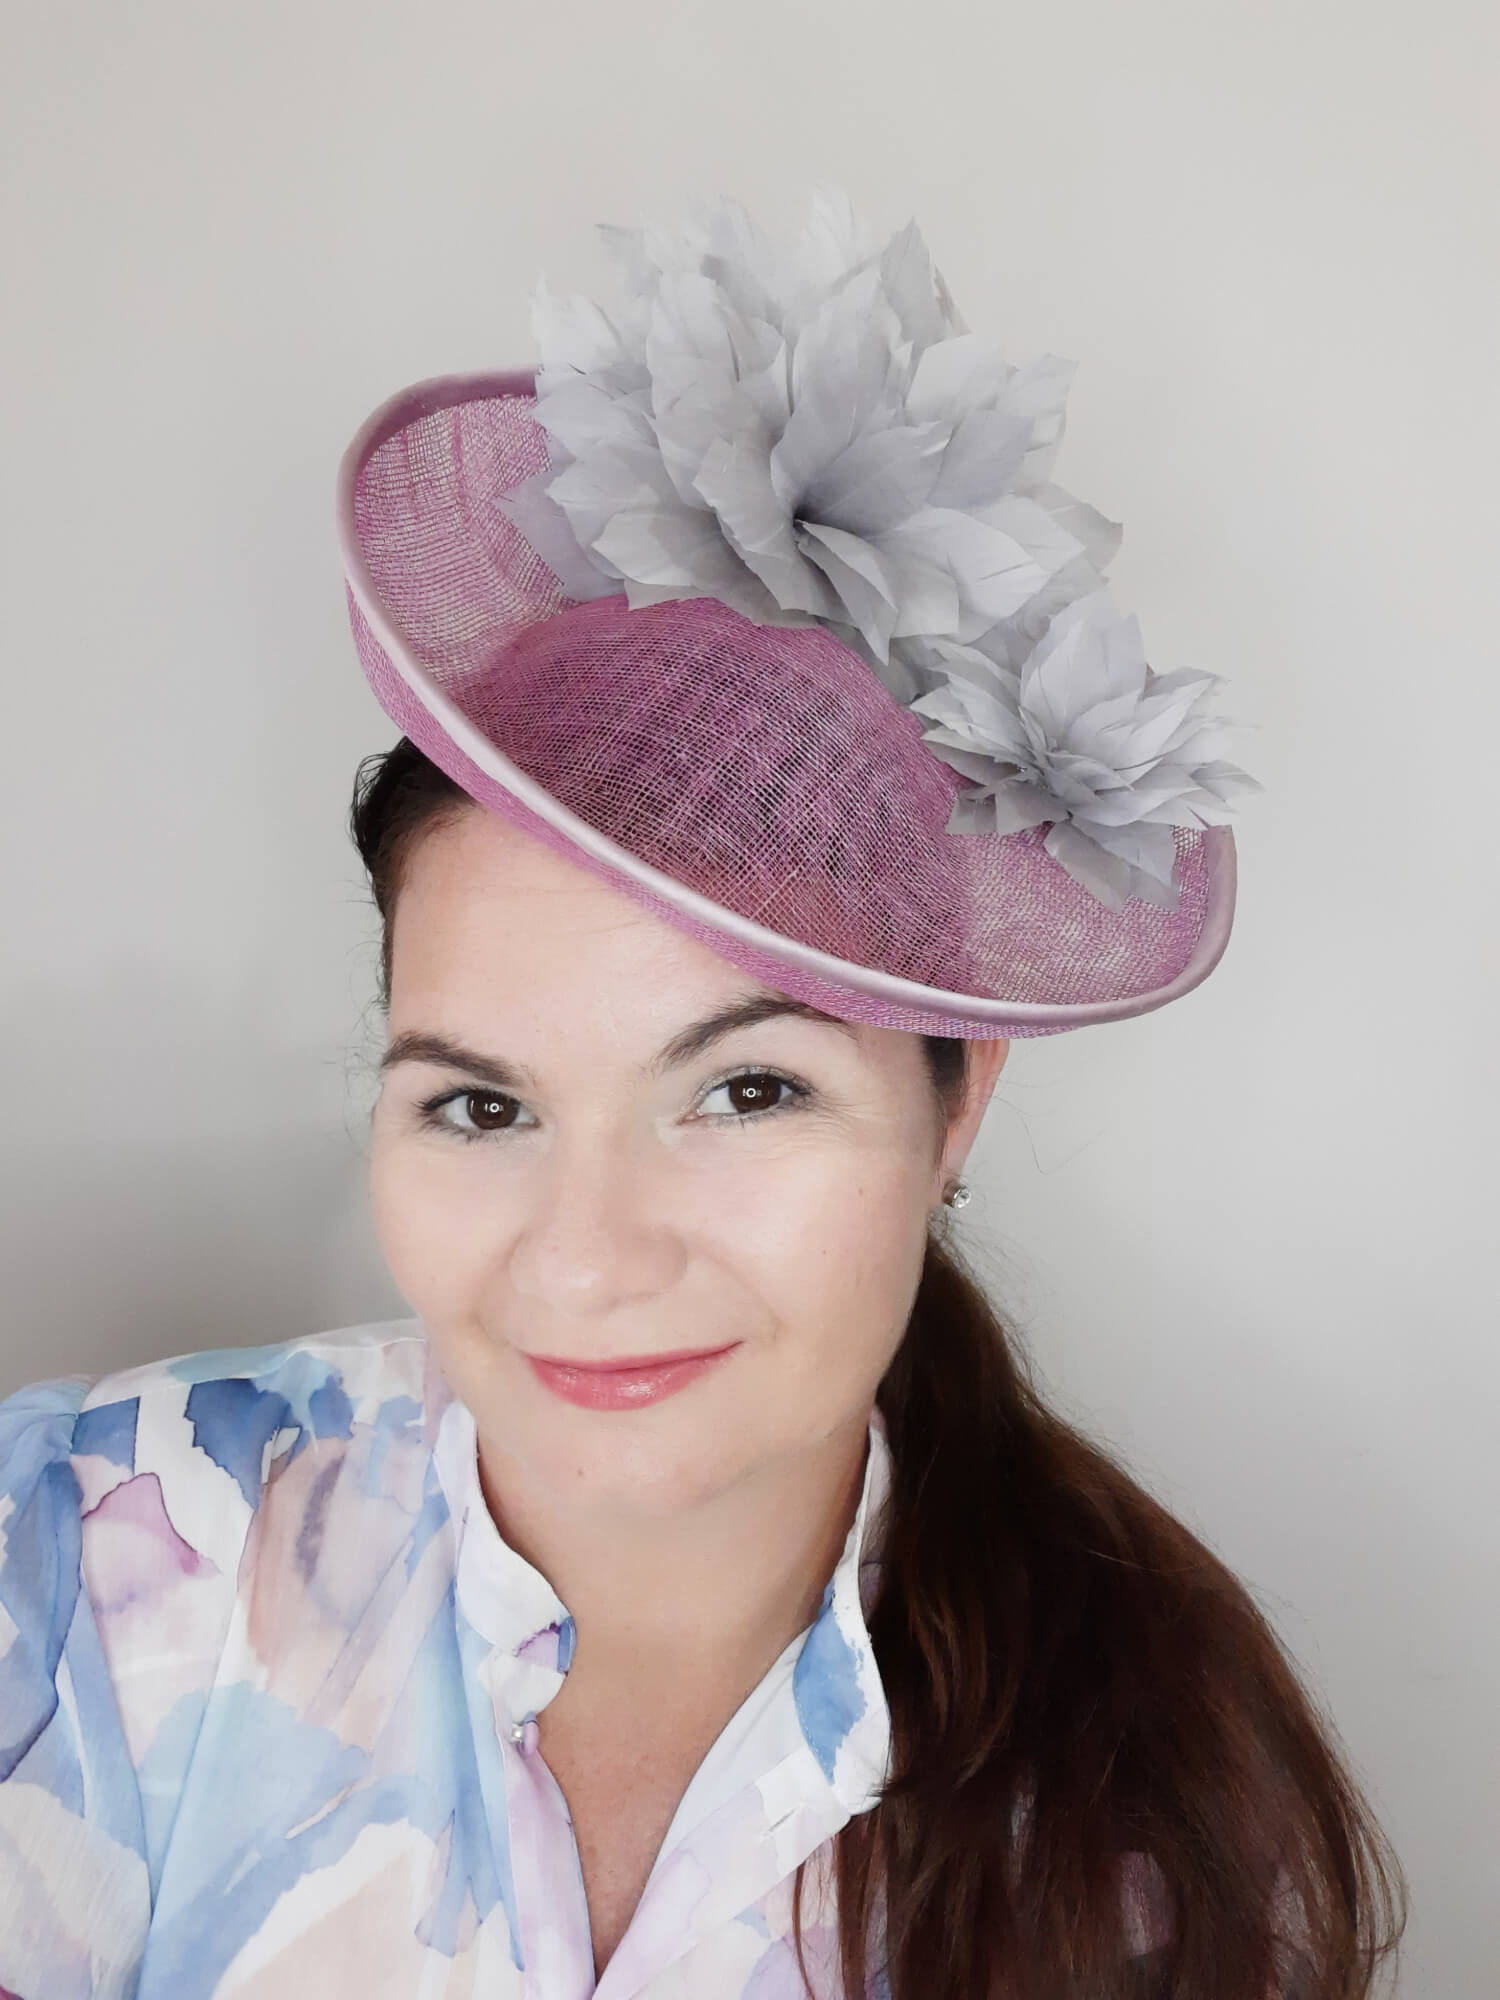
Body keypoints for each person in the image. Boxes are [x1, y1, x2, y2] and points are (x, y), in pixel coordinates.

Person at [0, 195, 1404, 1998]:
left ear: (955, 1099)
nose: (583, 1260)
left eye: (743, 1091)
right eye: (481, 1107)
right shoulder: (82, 1560)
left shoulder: (1159, 1839)